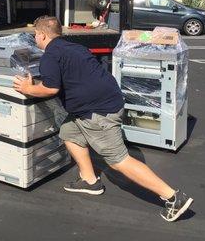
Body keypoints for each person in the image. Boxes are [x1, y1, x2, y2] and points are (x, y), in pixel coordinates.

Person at [13, 16, 193, 222]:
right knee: (69, 132)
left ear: (42, 35)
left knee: (119, 161)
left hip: (98, 113)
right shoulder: (74, 48)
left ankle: (173, 197)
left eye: (35, 35)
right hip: (105, 102)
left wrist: (28, 88)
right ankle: (90, 181)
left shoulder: (50, 55)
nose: (35, 38)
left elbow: (50, 88)